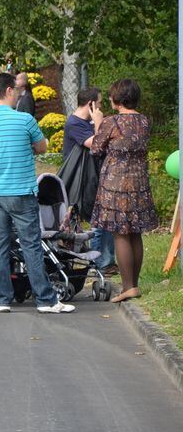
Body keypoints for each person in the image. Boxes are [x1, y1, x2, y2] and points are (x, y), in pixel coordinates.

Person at [0, 72, 74, 313]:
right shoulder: (25, 120)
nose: (20, 94)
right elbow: (42, 147)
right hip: (20, 190)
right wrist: (25, 145)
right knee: (31, 244)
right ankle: (45, 299)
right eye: (18, 90)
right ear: (9, 91)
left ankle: (2, 298)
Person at [91, 79, 157, 302]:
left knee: (120, 232)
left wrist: (98, 123)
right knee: (135, 232)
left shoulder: (112, 122)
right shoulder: (144, 121)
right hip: (138, 182)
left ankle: (128, 286)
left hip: (116, 184)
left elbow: (96, 148)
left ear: (117, 98)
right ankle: (134, 284)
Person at [62, 87, 114, 273]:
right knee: (97, 220)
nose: (101, 107)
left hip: (96, 175)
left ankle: (107, 260)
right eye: (99, 103)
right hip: (83, 180)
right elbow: (95, 144)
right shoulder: (74, 123)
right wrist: (99, 123)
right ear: (91, 104)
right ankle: (100, 263)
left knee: (105, 218)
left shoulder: (88, 121)